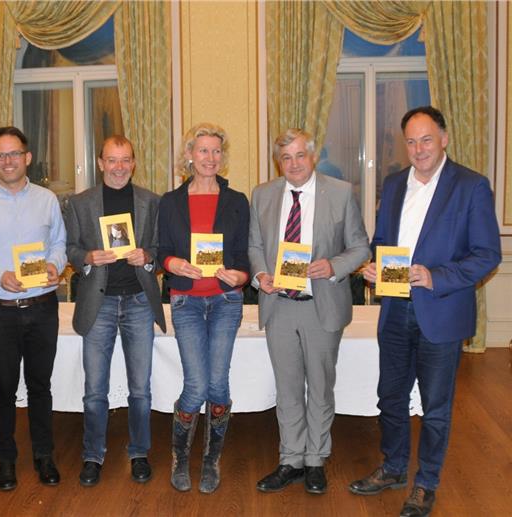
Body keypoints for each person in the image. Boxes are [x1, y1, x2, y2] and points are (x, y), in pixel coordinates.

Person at [349, 106, 501, 517]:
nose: (419, 149)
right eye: (412, 142)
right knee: (390, 398)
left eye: (427, 139)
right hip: (395, 309)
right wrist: (374, 266)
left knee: (435, 408)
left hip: (442, 313)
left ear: (444, 139)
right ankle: (394, 467)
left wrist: (437, 277)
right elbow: (383, 240)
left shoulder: (470, 186)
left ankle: (425, 483)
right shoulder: (394, 184)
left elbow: (487, 254)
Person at [249, 128, 369, 496]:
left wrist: (333, 266)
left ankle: (316, 459)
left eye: (300, 155)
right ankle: (291, 460)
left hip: (322, 305)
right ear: (278, 162)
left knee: (319, 386)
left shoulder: (341, 192)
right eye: (286, 158)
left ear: (313, 156)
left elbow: (360, 248)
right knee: (286, 388)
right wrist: (260, 275)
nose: (294, 164)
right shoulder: (263, 194)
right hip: (279, 306)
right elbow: (255, 246)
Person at [0, 126, 67, 491]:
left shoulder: (47, 200)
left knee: (40, 385)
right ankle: (6, 459)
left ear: (27, 157)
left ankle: (44, 456)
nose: (8, 161)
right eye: (1, 155)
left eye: (14, 154)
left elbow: (60, 244)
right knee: (3, 387)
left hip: (42, 307)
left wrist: (54, 264)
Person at [64, 135, 166, 487]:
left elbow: (160, 249)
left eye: (125, 160)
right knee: (95, 389)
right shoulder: (80, 203)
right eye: (112, 160)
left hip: (139, 301)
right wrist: (87, 257)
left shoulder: (151, 201)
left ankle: (139, 453)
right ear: (100, 163)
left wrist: (148, 257)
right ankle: (92, 456)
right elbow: (70, 248)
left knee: (141, 388)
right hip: (99, 303)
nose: (119, 167)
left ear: (133, 163)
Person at [157, 123, 250, 494]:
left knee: (218, 384)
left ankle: (211, 460)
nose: (210, 158)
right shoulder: (170, 201)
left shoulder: (237, 201)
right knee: (196, 386)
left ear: (222, 157)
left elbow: (243, 256)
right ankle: (180, 457)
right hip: (186, 301)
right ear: (189, 155)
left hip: (226, 300)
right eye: (203, 150)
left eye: (216, 151)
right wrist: (174, 264)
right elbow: (162, 251)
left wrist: (240, 275)